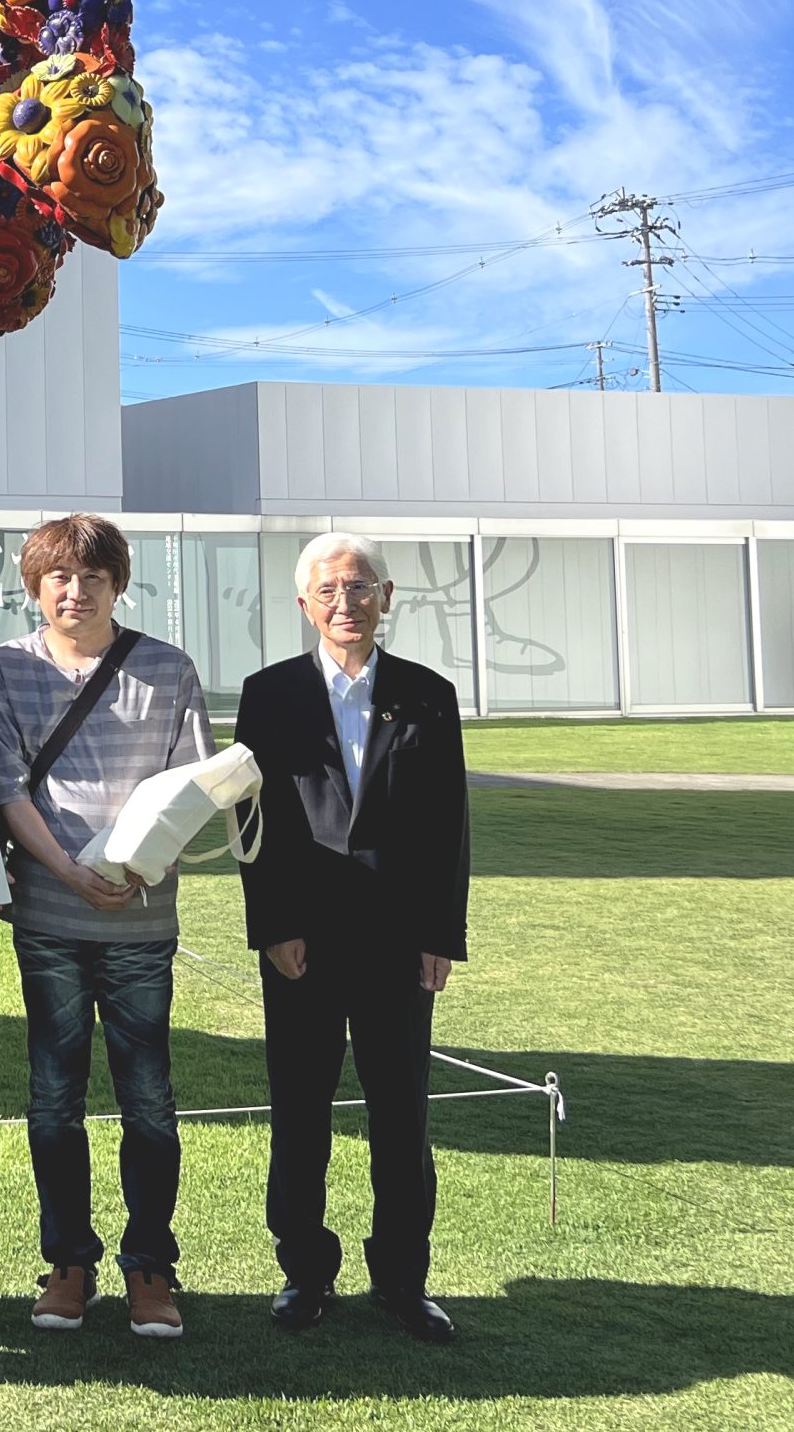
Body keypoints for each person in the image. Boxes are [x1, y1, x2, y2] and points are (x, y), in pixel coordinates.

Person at [0, 513, 214, 1341]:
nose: (76, 593)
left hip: (143, 921)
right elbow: (6, 789)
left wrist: (145, 864)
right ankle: (67, 1261)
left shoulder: (167, 669)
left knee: (150, 1099)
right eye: (59, 579)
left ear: (119, 583)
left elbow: (195, 788)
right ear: (35, 585)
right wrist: (70, 870)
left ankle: (151, 1266)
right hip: (48, 917)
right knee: (54, 1098)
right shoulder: (3, 670)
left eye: (93, 578)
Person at [234, 531, 470, 1345]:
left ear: (387, 597)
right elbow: (250, 824)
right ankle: (304, 1271)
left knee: (401, 1113)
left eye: (360, 587)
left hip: (400, 942)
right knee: (301, 1109)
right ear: (304, 604)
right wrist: (273, 926)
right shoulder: (267, 695)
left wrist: (441, 933)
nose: (346, 603)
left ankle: (403, 1278)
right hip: (302, 941)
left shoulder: (429, 694)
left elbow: (449, 824)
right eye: (329, 590)